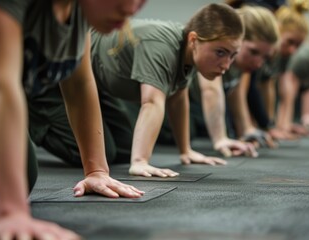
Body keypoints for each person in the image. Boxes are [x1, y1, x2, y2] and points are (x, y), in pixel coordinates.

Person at [0, 0, 146, 239]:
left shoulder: (79, 11)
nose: (132, 9)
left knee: (21, 172)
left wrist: (97, 171)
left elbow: (79, 84)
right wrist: (11, 212)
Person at [28, 3, 244, 177]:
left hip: (98, 86)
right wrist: (140, 162)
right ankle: (32, 116)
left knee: (122, 147)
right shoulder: (162, 46)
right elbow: (151, 102)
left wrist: (185, 150)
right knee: (91, 153)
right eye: (220, 53)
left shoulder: (187, 53)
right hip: (54, 81)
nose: (226, 65)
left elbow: (178, 99)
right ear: (194, 40)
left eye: (232, 56)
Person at [187, 4, 279, 152]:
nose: (258, 63)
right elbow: (211, 89)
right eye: (253, 52)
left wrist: (246, 130)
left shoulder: (241, 67)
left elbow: (236, 95)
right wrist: (220, 139)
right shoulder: (218, 55)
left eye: (265, 57)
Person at [255, 0, 309, 140]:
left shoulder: (283, 58)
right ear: (277, 29)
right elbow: (250, 91)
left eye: (298, 46)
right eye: (290, 42)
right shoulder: (259, 52)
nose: (293, 50)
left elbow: (280, 90)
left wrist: (279, 125)